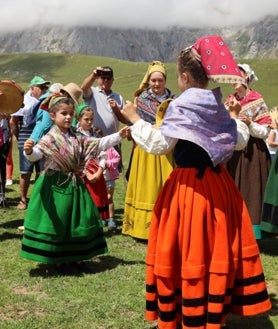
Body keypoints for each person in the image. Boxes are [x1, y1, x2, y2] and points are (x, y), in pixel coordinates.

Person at [120, 35, 271, 329]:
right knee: (216, 247)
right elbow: (239, 142)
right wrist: (237, 118)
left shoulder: (180, 106)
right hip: (219, 185)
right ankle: (214, 306)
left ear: (185, 76)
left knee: (188, 248)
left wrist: (134, 118)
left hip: (189, 190)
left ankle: (188, 307)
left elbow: (160, 144)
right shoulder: (217, 105)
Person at [20, 94, 128, 273]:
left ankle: (77, 257)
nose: (68, 117)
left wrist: (118, 135)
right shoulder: (50, 138)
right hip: (53, 185)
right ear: (53, 116)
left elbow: (99, 144)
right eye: (64, 113)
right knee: (58, 221)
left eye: (70, 113)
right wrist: (29, 151)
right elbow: (37, 154)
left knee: (78, 219)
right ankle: (56, 258)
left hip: (74, 184)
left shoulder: (78, 136)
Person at [122, 61, 175, 240]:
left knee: (164, 186)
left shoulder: (173, 101)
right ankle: (142, 228)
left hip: (166, 150)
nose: (156, 84)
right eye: (153, 80)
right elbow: (132, 122)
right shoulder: (141, 100)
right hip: (144, 150)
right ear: (149, 80)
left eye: (160, 80)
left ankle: (164, 226)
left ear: (165, 80)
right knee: (146, 186)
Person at [225, 63, 271, 240]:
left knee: (252, 191)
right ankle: (233, 228)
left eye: (239, 75)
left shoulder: (257, 100)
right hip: (235, 151)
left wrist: (250, 124)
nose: (234, 79)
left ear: (247, 77)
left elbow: (266, 132)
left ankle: (252, 232)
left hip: (253, 153)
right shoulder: (230, 100)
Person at [10, 75, 51, 210]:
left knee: (42, 171)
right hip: (26, 136)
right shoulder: (23, 101)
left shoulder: (46, 100)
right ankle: (23, 200)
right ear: (32, 88)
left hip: (43, 138)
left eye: (45, 87)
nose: (44, 89)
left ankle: (39, 199)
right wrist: (20, 138)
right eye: (41, 87)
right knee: (25, 171)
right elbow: (14, 121)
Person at [75, 103, 110, 226]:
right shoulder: (75, 135)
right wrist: (86, 173)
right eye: (86, 119)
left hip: (97, 171)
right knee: (85, 199)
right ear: (78, 119)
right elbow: (76, 158)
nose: (89, 122)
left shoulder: (97, 132)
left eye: (91, 119)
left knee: (98, 198)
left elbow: (103, 153)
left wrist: (100, 170)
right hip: (82, 172)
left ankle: (97, 224)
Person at [103, 146, 121, 233]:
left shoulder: (109, 148)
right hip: (97, 179)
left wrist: (107, 163)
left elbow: (117, 158)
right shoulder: (93, 147)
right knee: (100, 199)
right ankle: (102, 218)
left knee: (109, 198)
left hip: (109, 178)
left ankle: (111, 219)